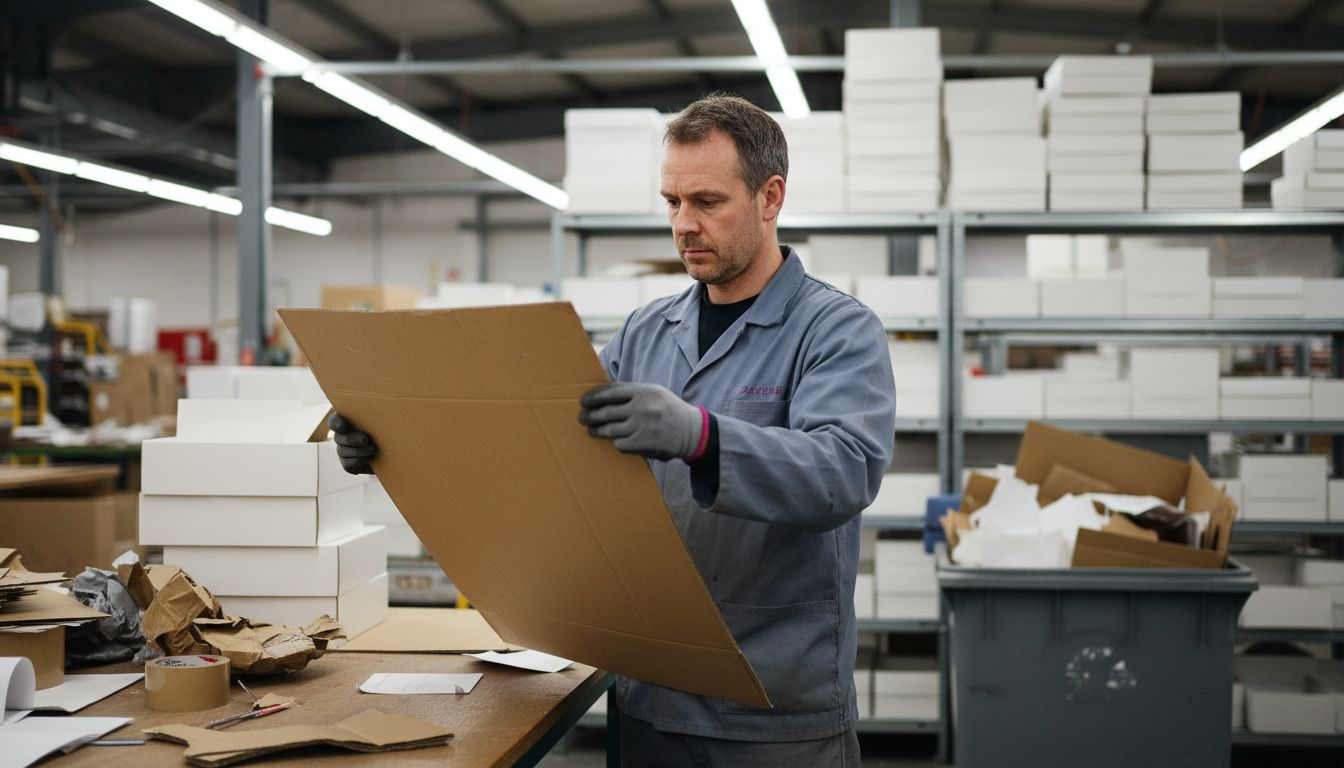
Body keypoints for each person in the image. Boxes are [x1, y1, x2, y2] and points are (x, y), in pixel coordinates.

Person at [331, 94, 896, 767]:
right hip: (650, 696)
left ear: (770, 198)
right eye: (671, 202)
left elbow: (844, 472)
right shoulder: (645, 331)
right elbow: (545, 449)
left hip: (773, 711)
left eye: (707, 202)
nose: (683, 224)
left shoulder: (836, 329)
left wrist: (704, 438)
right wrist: (397, 442)